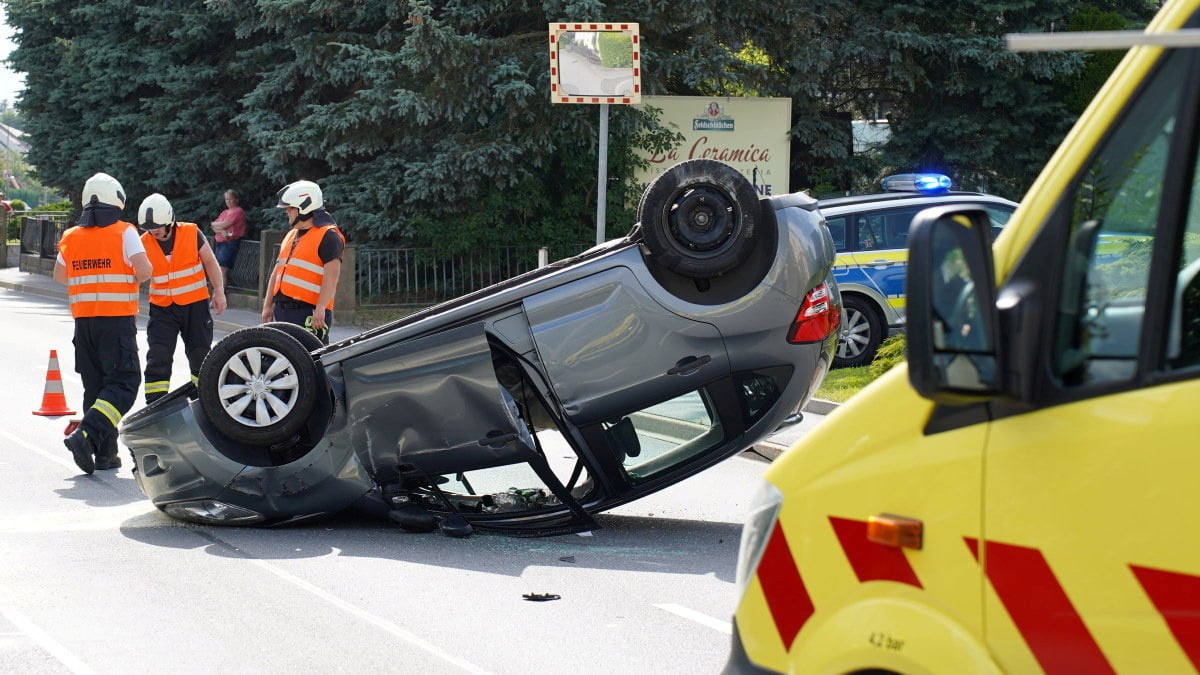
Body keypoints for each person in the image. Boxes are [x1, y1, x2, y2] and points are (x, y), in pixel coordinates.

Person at [54, 172, 153, 474]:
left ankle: (105, 453)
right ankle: (85, 434)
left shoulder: (71, 236)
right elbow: (145, 270)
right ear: (117, 200)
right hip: (116, 322)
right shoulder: (125, 232)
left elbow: (60, 276)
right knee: (123, 383)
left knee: (95, 387)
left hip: (84, 325)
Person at [138, 193, 227, 405]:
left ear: (169, 219)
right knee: (158, 355)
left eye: (157, 226)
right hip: (161, 309)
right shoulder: (143, 243)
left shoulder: (191, 232)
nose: (154, 231)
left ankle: (204, 400)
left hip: (194, 307)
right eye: (149, 228)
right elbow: (133, 276)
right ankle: (155, 404)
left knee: (200, 354)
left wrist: (219, 291)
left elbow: (210, 262)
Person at [261, 180, 345, 345]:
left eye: (290, 208)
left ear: (305, 206)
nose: (287, 211)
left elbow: (332, 276)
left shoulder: (329, 236)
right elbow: (276, 272)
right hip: (283, 311)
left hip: (309, 313)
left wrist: (321, 307)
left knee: (312, 361)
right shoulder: (291, 235)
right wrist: (267, 304)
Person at [209, 189, 246, 289]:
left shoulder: (238, 211)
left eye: (230, 199)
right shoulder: (224, 212)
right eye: (226, 199)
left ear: (236, 200)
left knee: (223, 270)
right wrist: (221, 230)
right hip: (220, 242)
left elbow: (227, 224)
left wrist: (218, 226)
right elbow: (213, 225)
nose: (228, 202)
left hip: (230, 243)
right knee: (218, 269)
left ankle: (220, 296)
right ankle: (218, 295)